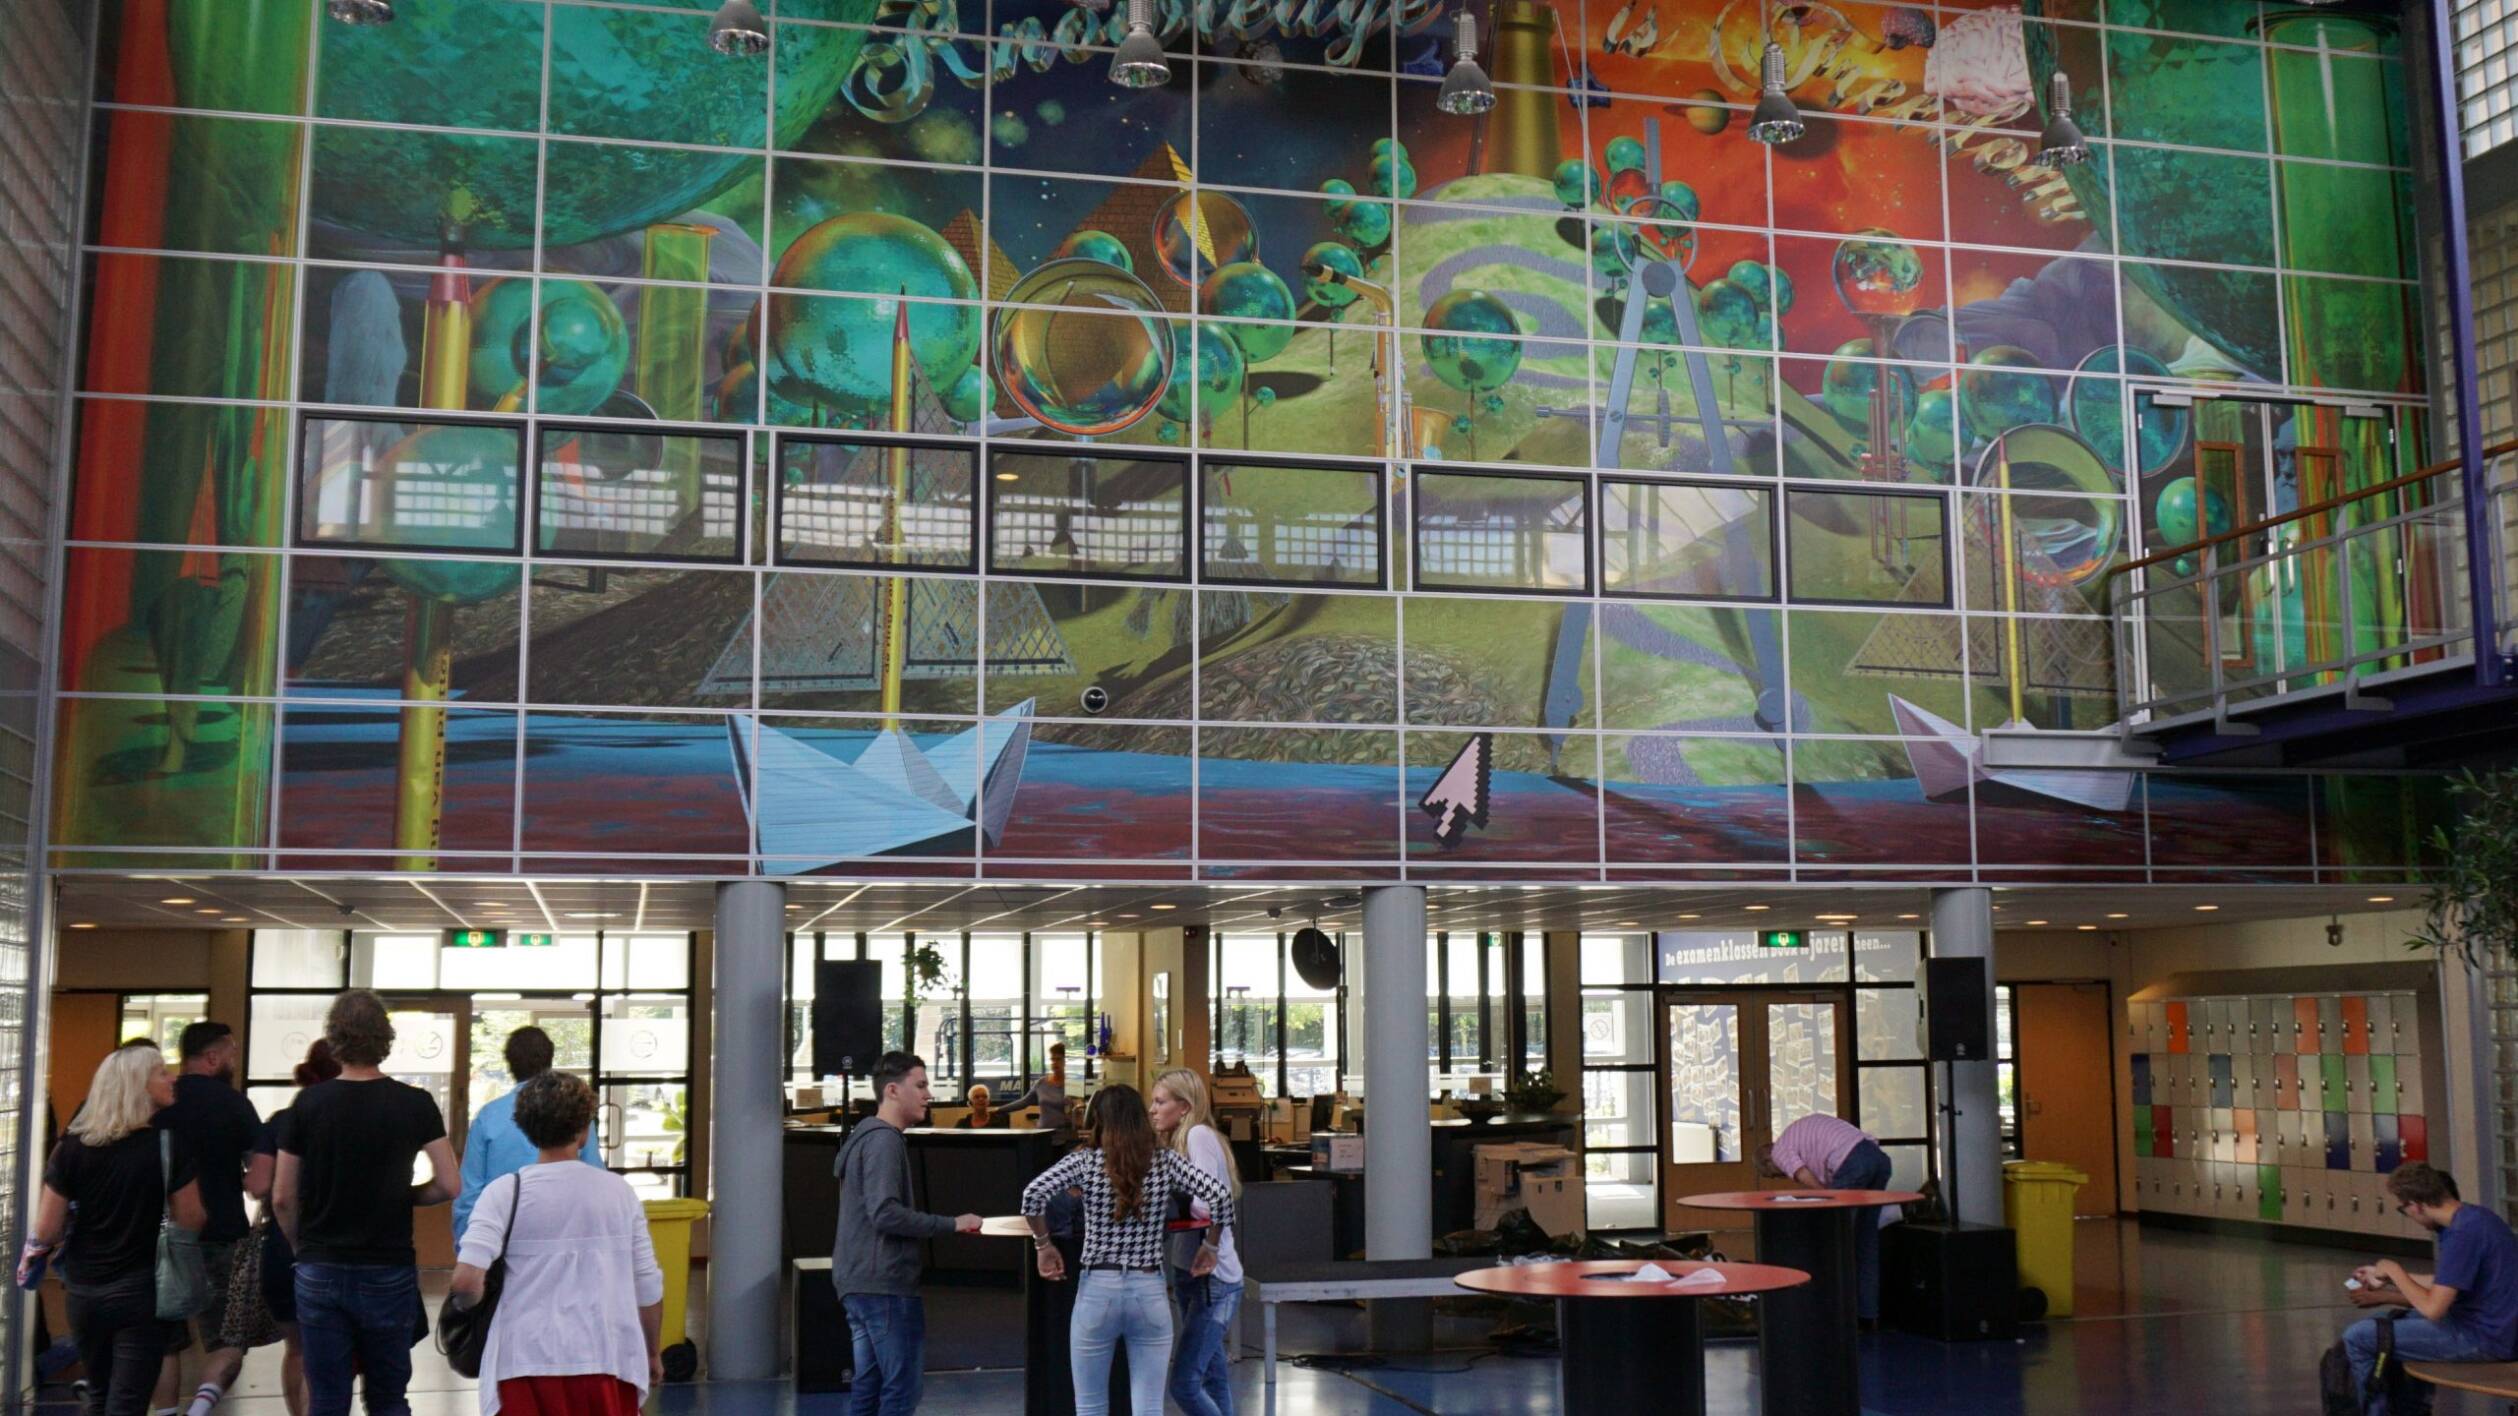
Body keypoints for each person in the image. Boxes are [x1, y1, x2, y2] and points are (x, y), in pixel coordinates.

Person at [274, 990, 460, 1416]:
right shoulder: (414, 1103)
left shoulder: (308, 1104)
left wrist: (301, 1247)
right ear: (385, 1039)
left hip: (320, 1264)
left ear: (335, 1038)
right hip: (387, 1265)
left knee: (327, 1398)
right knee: (388, 1398)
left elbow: (282, 1196)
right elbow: (450, 1184)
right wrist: (407, 1196)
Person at [450, 1071, 663, 1416]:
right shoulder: (620, 1194)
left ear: (527, 1128)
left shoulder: (504, 1193)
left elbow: (465, 1281)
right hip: (607, 1360)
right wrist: (652, 1352)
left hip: (523, 1364)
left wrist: (471, 1308)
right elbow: (648, 1285)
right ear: (583, 1131)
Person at [1021, 1084, 1238, 1416]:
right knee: (1148, 1408)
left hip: (1097, 1289)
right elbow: (1220, 1195)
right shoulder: (1164, 1161)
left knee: (1090, 1407)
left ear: (1098, 1120)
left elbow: (1032, 1195)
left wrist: (1043, 1245)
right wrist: (1210, 1245)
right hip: (1149, 1290)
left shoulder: (1084, 1161)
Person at [21, 1045, 208, 1416]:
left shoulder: (71, 1148)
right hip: (142, 1290)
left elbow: (46, 1228)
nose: (172, 1078)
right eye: (161, 1072)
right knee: (128, 1402)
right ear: (137, 1085)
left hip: (83, 1291)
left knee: (99, 1394)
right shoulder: (167, 1147)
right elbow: (193, 1217)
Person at [829, 1051, 982, 1416]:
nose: (929, 1095)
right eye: (921, 1085)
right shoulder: (884, 1142)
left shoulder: (864, 1138)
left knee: (868, 1386)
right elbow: (885, 1213)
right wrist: (951, 1224)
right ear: (893, 1091)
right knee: (901, 1389)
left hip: (857, 1281)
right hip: (885, 1285)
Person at [2342, 1163, 2518, 1411]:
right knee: (2384, 1322)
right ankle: (2410, 1409)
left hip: (2484, 1338)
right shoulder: (2475, 1218)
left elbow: (2433, 1308)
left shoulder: (2462, 1235)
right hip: (2490, 1327)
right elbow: (2444, 1282)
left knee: (2358, 1337)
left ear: (2415, 1205)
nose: (2409, 1215)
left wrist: (2394, 1270)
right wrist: (2388, 1279)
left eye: (2403, 1209)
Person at [152, 1021, 262, 1416]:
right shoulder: (234, 1104)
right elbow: (259, 1176)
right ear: (213, 1057)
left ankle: (165, 1412)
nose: (234, 1060)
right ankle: (201, 1406)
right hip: (222, 1234)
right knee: (227, 1339)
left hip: (162, 1238)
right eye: (231, 1053)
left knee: (165, 1340)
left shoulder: (158, 1101)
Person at [243, 1041, 341, 1416]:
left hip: (284, 1247)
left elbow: (258, 1186)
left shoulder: (281, 1122)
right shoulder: (351, 1121)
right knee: (335, 1349)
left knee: (298, 1349)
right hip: (338, 1244)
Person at [453, 1027, 602, 1243]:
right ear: (550, 1058)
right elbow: (595, 1179)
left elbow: (469, 1192)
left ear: (509, 1063)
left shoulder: (489, 1116)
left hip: (502, 1236)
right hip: (564, 1237)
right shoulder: (574, 1111)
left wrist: (467, 1245)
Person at [1151, 1068, 1243, 1416]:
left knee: (1185, 1384)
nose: (1153, 1109)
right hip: (1187, 1273)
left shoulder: (1198, 1135)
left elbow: (1207, 1203)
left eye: (1160, 1102)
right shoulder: (1174, 1144)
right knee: (1213, 1378)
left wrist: (1168, 1206)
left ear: (1185, 1107)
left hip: (1214, 1280)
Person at [1759, 1112, 1895, 1324]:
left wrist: (1827, 1196)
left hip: (1853, 1163)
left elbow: (1803, 1175)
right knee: (1865, 1241)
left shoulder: (1779, 1150)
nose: (1784, 1176)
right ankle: (1868, 1315)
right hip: (1878, 1159)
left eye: (1776, 1174)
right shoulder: (1799, 1135)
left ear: (1769, 1161)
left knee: (1833, 1241)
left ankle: (1834, 1315)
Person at [1003, 1044, 1073, 1138]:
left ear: (1065, 1061)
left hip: (1065, 1136)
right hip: (1042, 1135)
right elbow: (1023, 1102)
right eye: (1052, 1059)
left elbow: (1078, 1112)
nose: (1055, 1063)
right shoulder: (1041, 1083)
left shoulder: (1073, 1084)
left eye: (1058, 1059)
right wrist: (999, 1110)